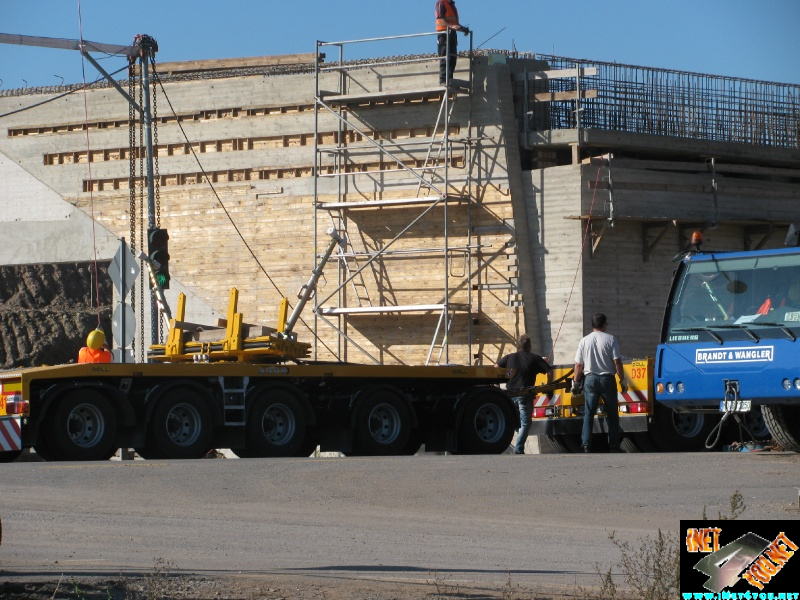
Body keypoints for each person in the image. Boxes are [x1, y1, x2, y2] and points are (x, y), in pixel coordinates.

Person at [572, 313, 626, 453]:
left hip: (590, 379)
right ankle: (613, 445)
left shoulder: (584, 341)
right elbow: (617, 362)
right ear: (603, 325)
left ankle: (586, 444)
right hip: (607, 379)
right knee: (612, 414)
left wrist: (575, 382)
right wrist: (622, 380)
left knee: (589, 413)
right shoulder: (611, 339)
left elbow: (578, 365)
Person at [496, 334, 552, 454]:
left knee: (514, 421)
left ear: (518, 346)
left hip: (510, 395)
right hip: (525, 394)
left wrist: (497, 385)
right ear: (530, 346)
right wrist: (548, 386)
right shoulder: (535, 358)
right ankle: (519, 448)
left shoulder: (509, 357)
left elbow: (495, 368)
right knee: (525, 422)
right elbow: (549, 372)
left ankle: (513, 444)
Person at [435, 0, 470, 86]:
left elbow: (455, 23)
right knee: (445, 57)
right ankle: (443, 80)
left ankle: (449, 79)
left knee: (452, 58)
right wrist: (452, 26)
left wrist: (463, 29)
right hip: (444, 34)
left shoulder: (452, 5)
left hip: (452, 34)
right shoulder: (441, 3)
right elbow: (440, 19)